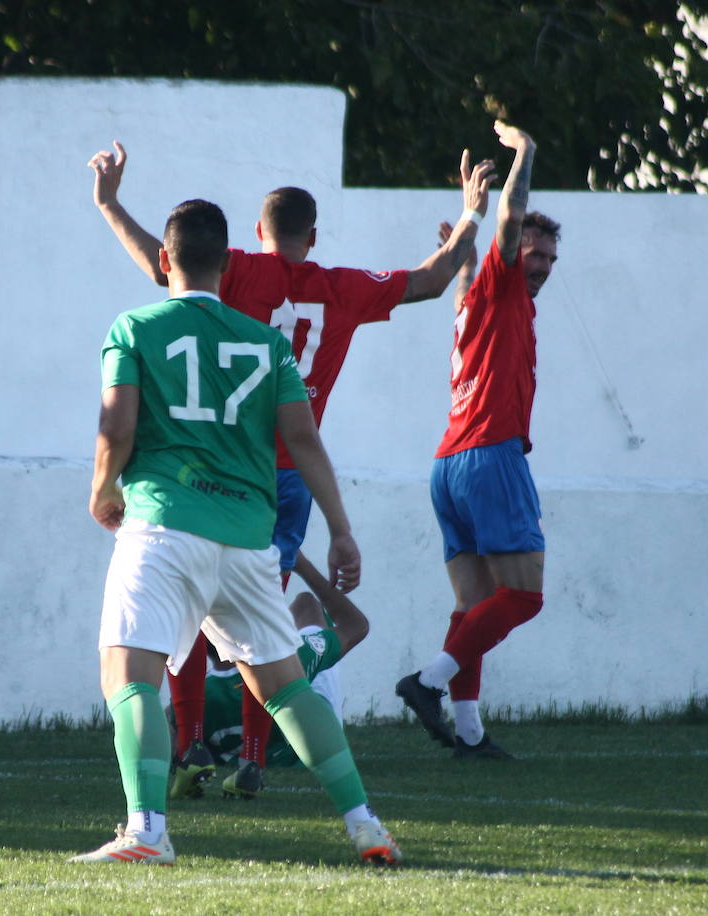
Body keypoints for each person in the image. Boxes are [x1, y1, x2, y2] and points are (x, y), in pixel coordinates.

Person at [89, 140, 495, 798]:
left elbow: (167, 266)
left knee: (185, 610)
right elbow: (430, 279)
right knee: (263, 626)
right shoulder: (340, 288)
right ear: (313, 235)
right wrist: (472, 214)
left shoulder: (241, 274)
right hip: (287, 478)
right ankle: (252, 755)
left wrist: (110, 204)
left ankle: (190, 743)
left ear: (254, 234)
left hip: (225, 461)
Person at [73, 198, 400, 866]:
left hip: (164, 527)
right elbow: (302, 440)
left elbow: (118, 427)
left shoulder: (134, 327)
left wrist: (103, 488)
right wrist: (340, 530)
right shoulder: (268, 342)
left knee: (128, 672)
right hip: (250, 540)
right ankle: (366, 825)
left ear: (164, 260)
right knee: (284, 687)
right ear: (227, 264)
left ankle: (147, 830)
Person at [396, 122, 559, 760]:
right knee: (522, 596)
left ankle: (468, 734)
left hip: (451, 463)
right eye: (533, 254)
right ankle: (426, 682)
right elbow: (511, 217)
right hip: (490, 455)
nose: (539, 265)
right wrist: (526, 150)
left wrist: (463, 246)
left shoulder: (479, 298)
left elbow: (467, 286)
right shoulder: (505, 280)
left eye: (548, 258)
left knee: (473, 606)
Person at [200, 551, 368, 786]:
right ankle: (359, 815)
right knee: (306, 604)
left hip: (229, 735)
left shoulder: (199, 694)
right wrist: (301, 564)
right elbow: (356, 626)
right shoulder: (293, 659)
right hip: (305, 749)